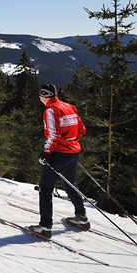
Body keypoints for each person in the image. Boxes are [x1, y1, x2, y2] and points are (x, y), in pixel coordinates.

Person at [27, 83, 89, 238]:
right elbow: (81, 129)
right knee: (69, 184)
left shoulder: (50, 110)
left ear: (44, 95)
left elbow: (53, 135)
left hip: (58, 154)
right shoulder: (69, 106)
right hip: (73, 152)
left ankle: (45, 226)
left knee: (45, 189)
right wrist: (71, 142)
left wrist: (46, 153)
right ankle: (81, 217)